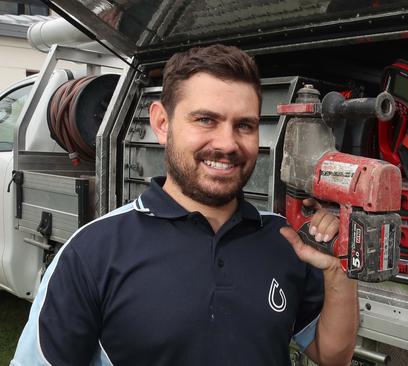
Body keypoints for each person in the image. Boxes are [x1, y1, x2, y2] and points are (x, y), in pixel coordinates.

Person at [12, 44, 358, 365]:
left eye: (244, 126)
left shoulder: (284, 242)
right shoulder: (92, 253)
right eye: (206, 120)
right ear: (162, 124)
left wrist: (338, 272)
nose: (227, 143)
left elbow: (332, 355)